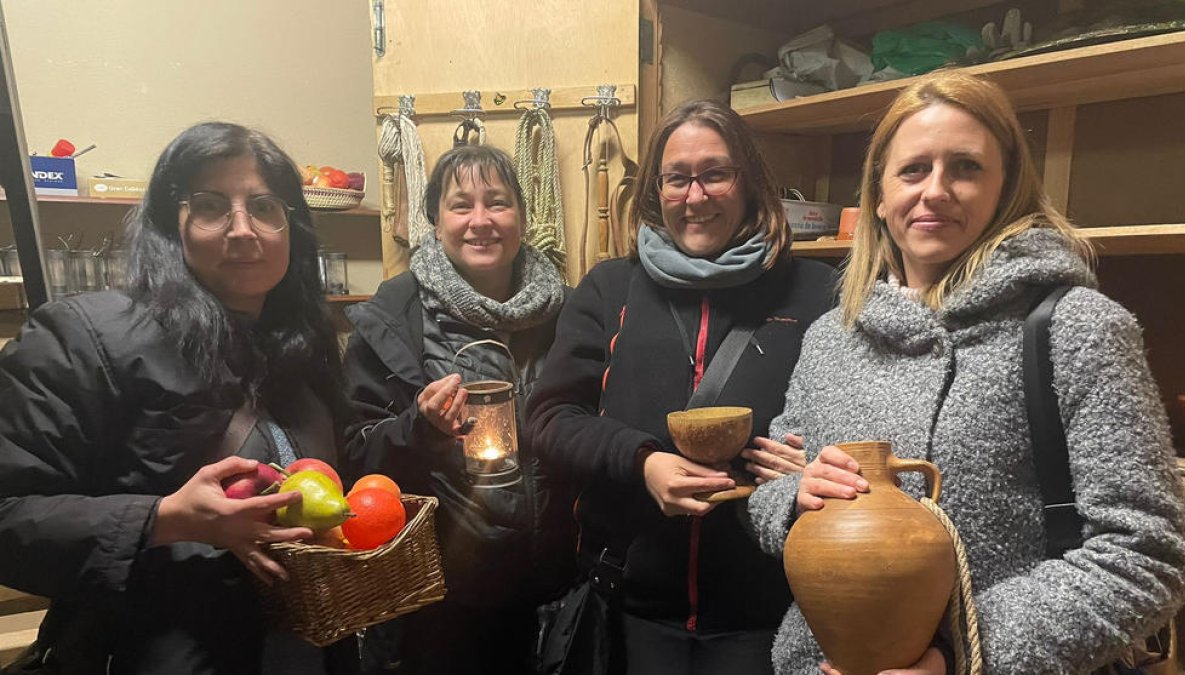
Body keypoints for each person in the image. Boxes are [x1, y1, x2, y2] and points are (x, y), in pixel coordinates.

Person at [747, 70, 1185, 675]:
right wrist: (796, 502)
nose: (935, 190)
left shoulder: (1076, 327)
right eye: (913, 170)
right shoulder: (833, 335)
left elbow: (1145, 553)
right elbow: (776, 477)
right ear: (878, 195)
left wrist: (962, 653)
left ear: (1005, 188)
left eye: (964, 168)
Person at [0, 122, 356, 673]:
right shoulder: (85, 338)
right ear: (173, 223)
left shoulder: (305, 347)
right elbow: (10, 518)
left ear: (292, 228)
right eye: (213, 206)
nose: (244, 230)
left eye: (265, 207)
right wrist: (167, 518)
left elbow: (343, 479)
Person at [526, 99, 837, 675]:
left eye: (715, 173)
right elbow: (549, 418)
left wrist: (811, 461)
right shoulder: (609, 289)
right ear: (656, 189)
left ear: (749, 182)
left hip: (768, 614)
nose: (695, 197)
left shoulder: (816, 292)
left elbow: (856, 423)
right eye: (677, 179)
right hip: (630, 611)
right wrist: (642, 462)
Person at [341, 144, 576, 674]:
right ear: (434, 220)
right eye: (460, 205)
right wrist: (418, 428)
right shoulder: (392, 322)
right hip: (445, 600)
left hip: (562, 589)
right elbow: (354, 457)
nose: (481, 221)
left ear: (522, 214)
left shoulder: (572, 310)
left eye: (497, 202)